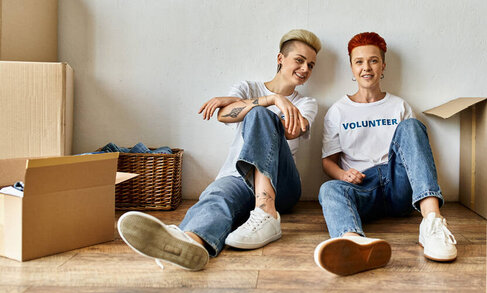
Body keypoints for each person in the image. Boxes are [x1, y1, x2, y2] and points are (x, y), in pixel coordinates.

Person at [118, 29, 321, 271]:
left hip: (283, 185)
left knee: (260, 115)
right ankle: (190, 243)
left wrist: (264, 108)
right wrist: (272, 99)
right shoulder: (248, 87)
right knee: (217, 196)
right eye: (299, 60)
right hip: (239, 176)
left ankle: (267, 212)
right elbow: (225, 115)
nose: (305, 69)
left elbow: (292, 132)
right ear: (280, 59)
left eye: (311, 65)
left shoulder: (307, 103)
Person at [314, 32, 456, 276]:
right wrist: (343, 175)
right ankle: (353, 243)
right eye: (359, 62)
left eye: (373, 61)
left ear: (383, 66)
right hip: (362, 187)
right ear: (351, 67)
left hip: (398, 184)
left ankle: (432, 222)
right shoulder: (338, 111)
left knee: (412, 126)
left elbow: (414, 152)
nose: (366, 68)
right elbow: (328, 162)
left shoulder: (400, 106)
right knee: (328, 189)